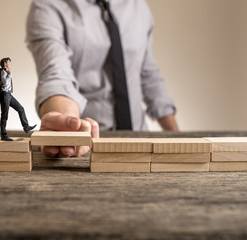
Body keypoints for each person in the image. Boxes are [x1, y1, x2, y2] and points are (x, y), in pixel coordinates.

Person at [26, 0, 179, 156]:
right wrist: (68, 126)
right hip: (87, 147)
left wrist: (177, 139)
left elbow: (149, 76)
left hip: (140, 140)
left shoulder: (137, 5)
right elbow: (56, 75)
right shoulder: (47, 6)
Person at [0, 57, 36, 141]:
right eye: (9, 62)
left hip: (9, 95)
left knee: (21, 109)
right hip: (4, 95)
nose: (10, 64)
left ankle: (26, 127)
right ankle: (3, 135)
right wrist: (10, 74)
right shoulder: (2, 71)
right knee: (4, 115)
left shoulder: (5, 71)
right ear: (5, 63)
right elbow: (5, 83)